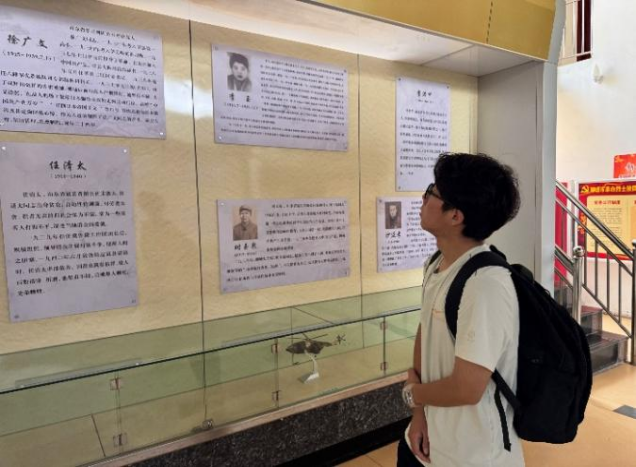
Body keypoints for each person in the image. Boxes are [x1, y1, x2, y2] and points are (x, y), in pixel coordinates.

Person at [399, 153, 523, 467]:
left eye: (431, 192)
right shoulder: (437, 264)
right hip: (427, 440)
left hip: (473, 455)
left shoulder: (485, 284)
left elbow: (467, 389)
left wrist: (413, 394)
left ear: (455, 216)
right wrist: (419, 414)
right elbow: (426, 330)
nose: (423, 199)